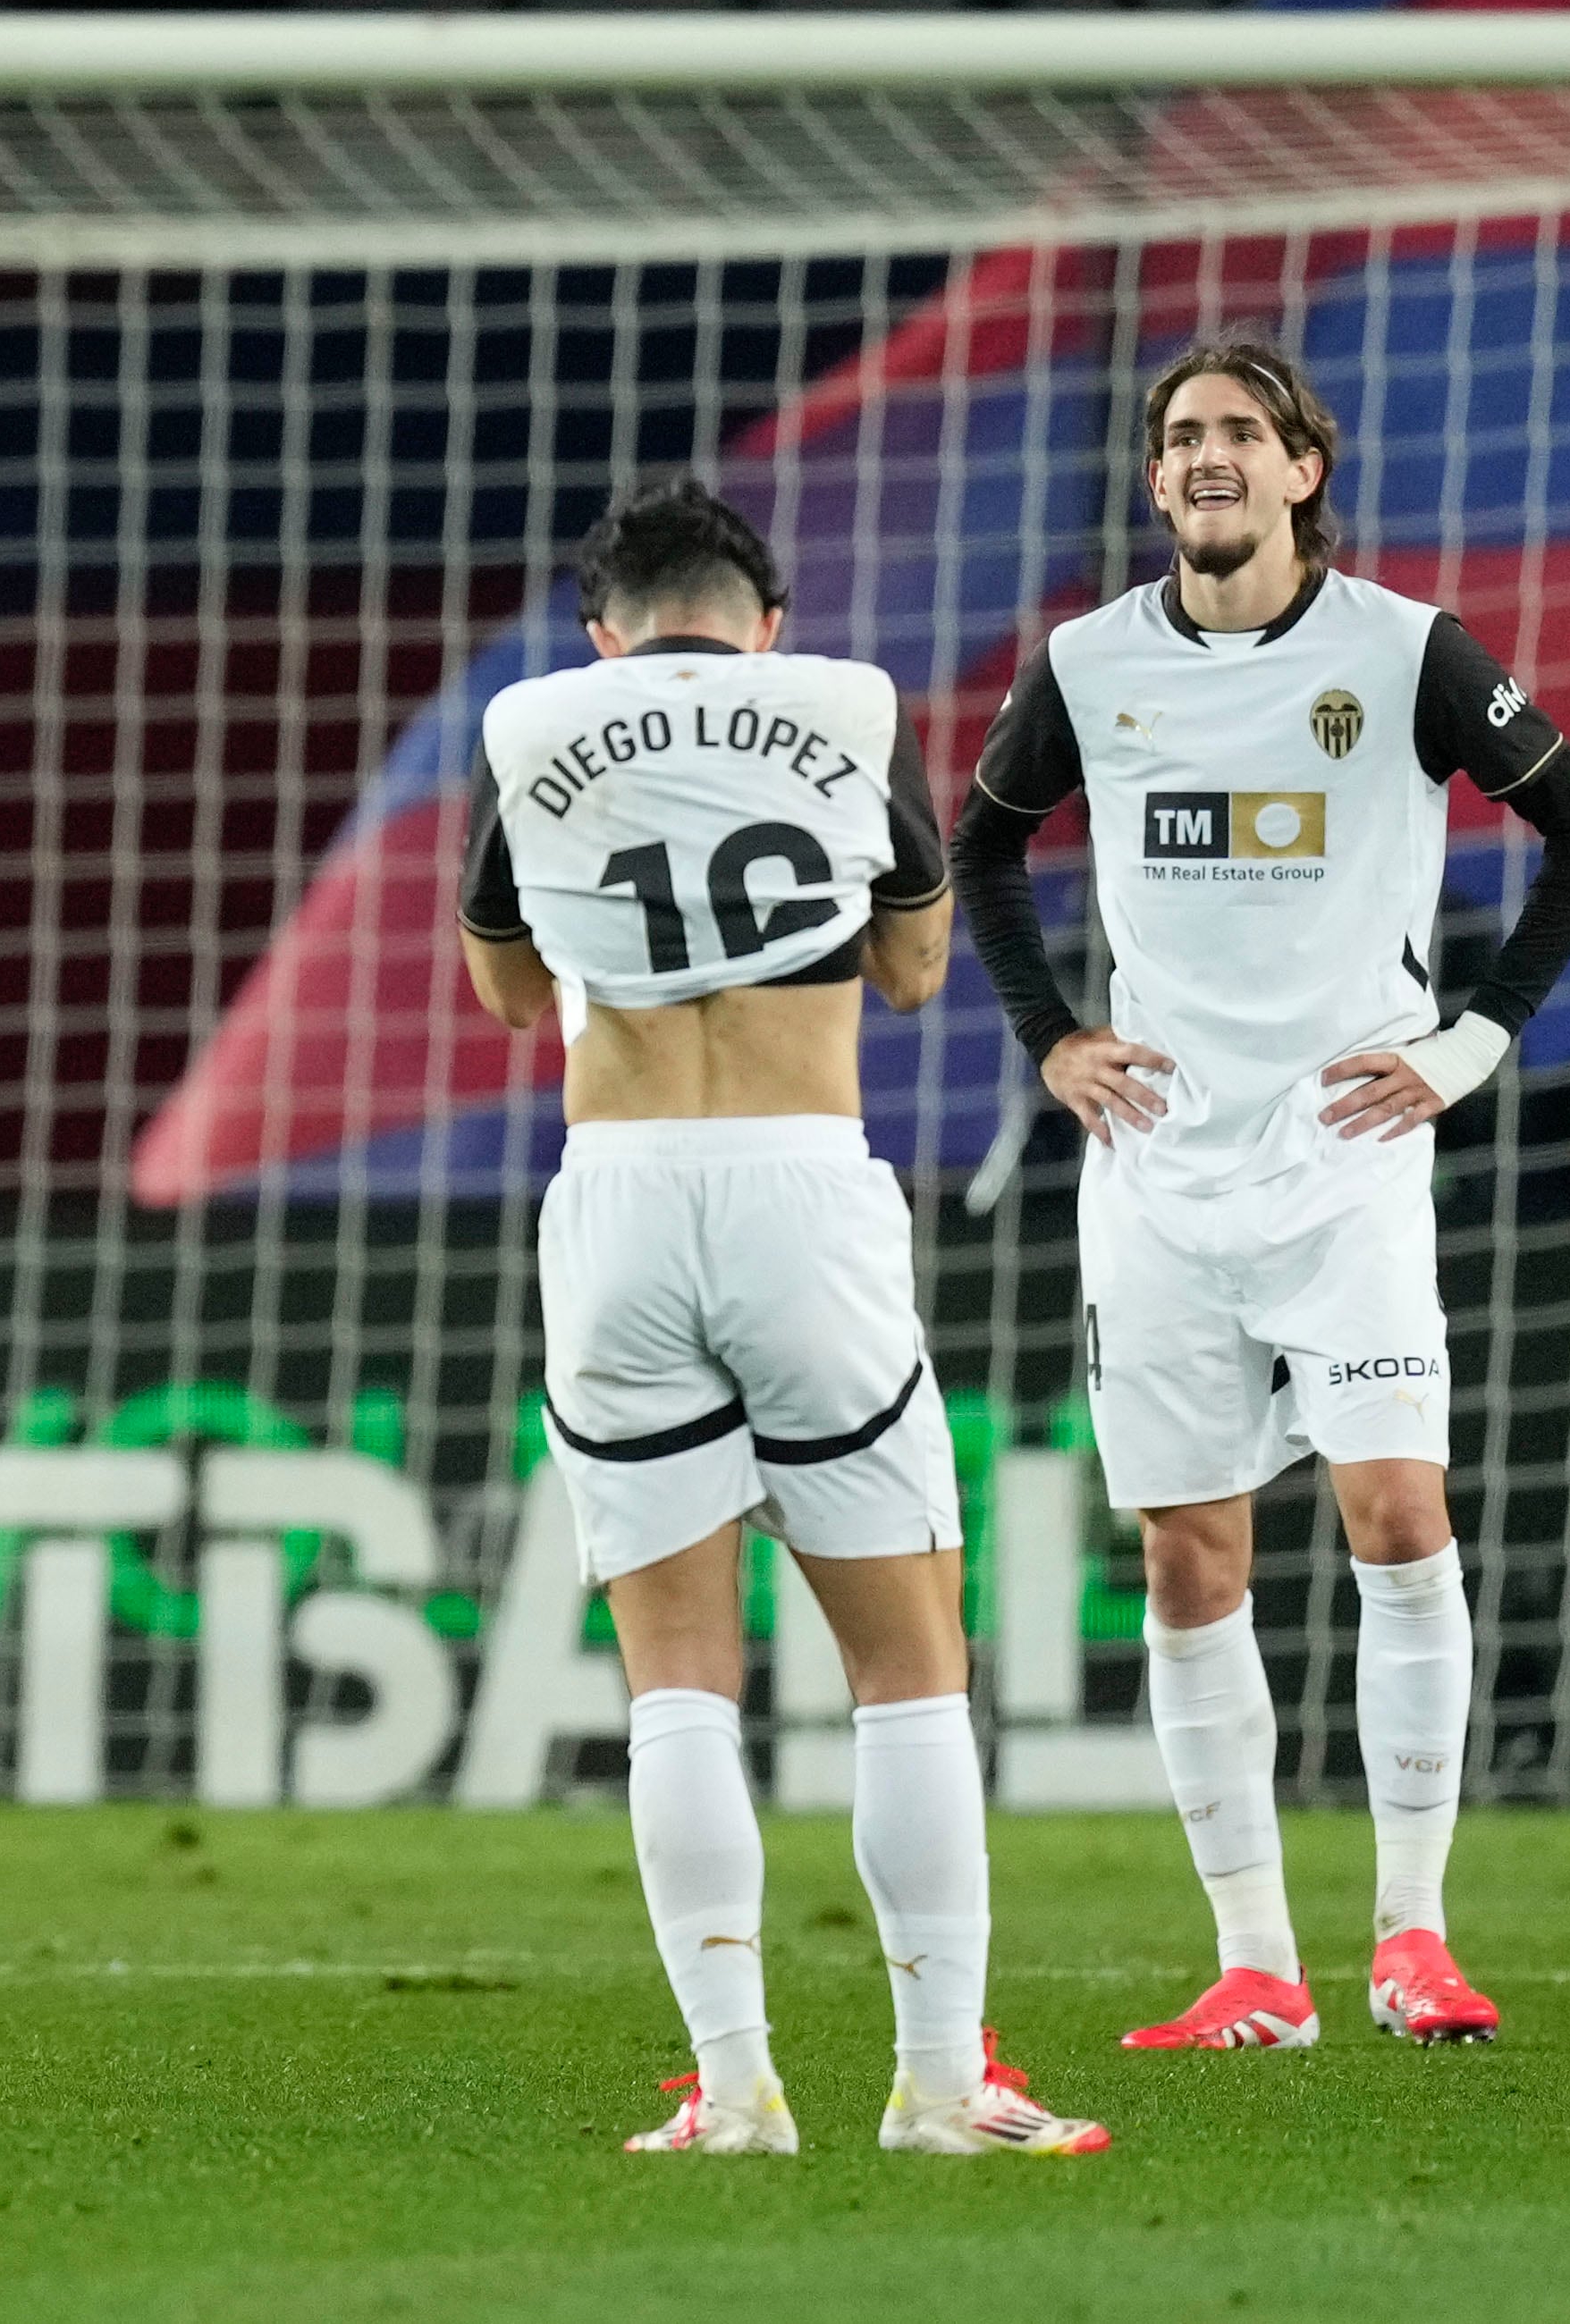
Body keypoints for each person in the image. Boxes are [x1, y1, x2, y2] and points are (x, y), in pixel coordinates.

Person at [950, 339, 1570, 2050]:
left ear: (1303, 469)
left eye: (1241, 434)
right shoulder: (1090, 662)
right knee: (1192, 1558)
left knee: (1401, 1520)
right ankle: (1257, 1965)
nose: (1208, 459)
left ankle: (1413, 1936)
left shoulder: (1403, 653)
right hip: (1159, 1176)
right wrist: (1051, 1039)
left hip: (1347, 1169)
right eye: (1182, 437)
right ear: (1156, 478)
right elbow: (978, 845)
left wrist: (1470, 1049)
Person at [461, 475, 1107, 2159]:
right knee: (907, 1667)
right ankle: (943, 2082)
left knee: (677, 1679)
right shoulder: (838, 711)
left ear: (605, 634)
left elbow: (514, 985)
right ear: (767, 623)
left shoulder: (533, 726)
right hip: (798, 1184)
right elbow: (907, 971)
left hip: (614, 1196)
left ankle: (738, 2088)